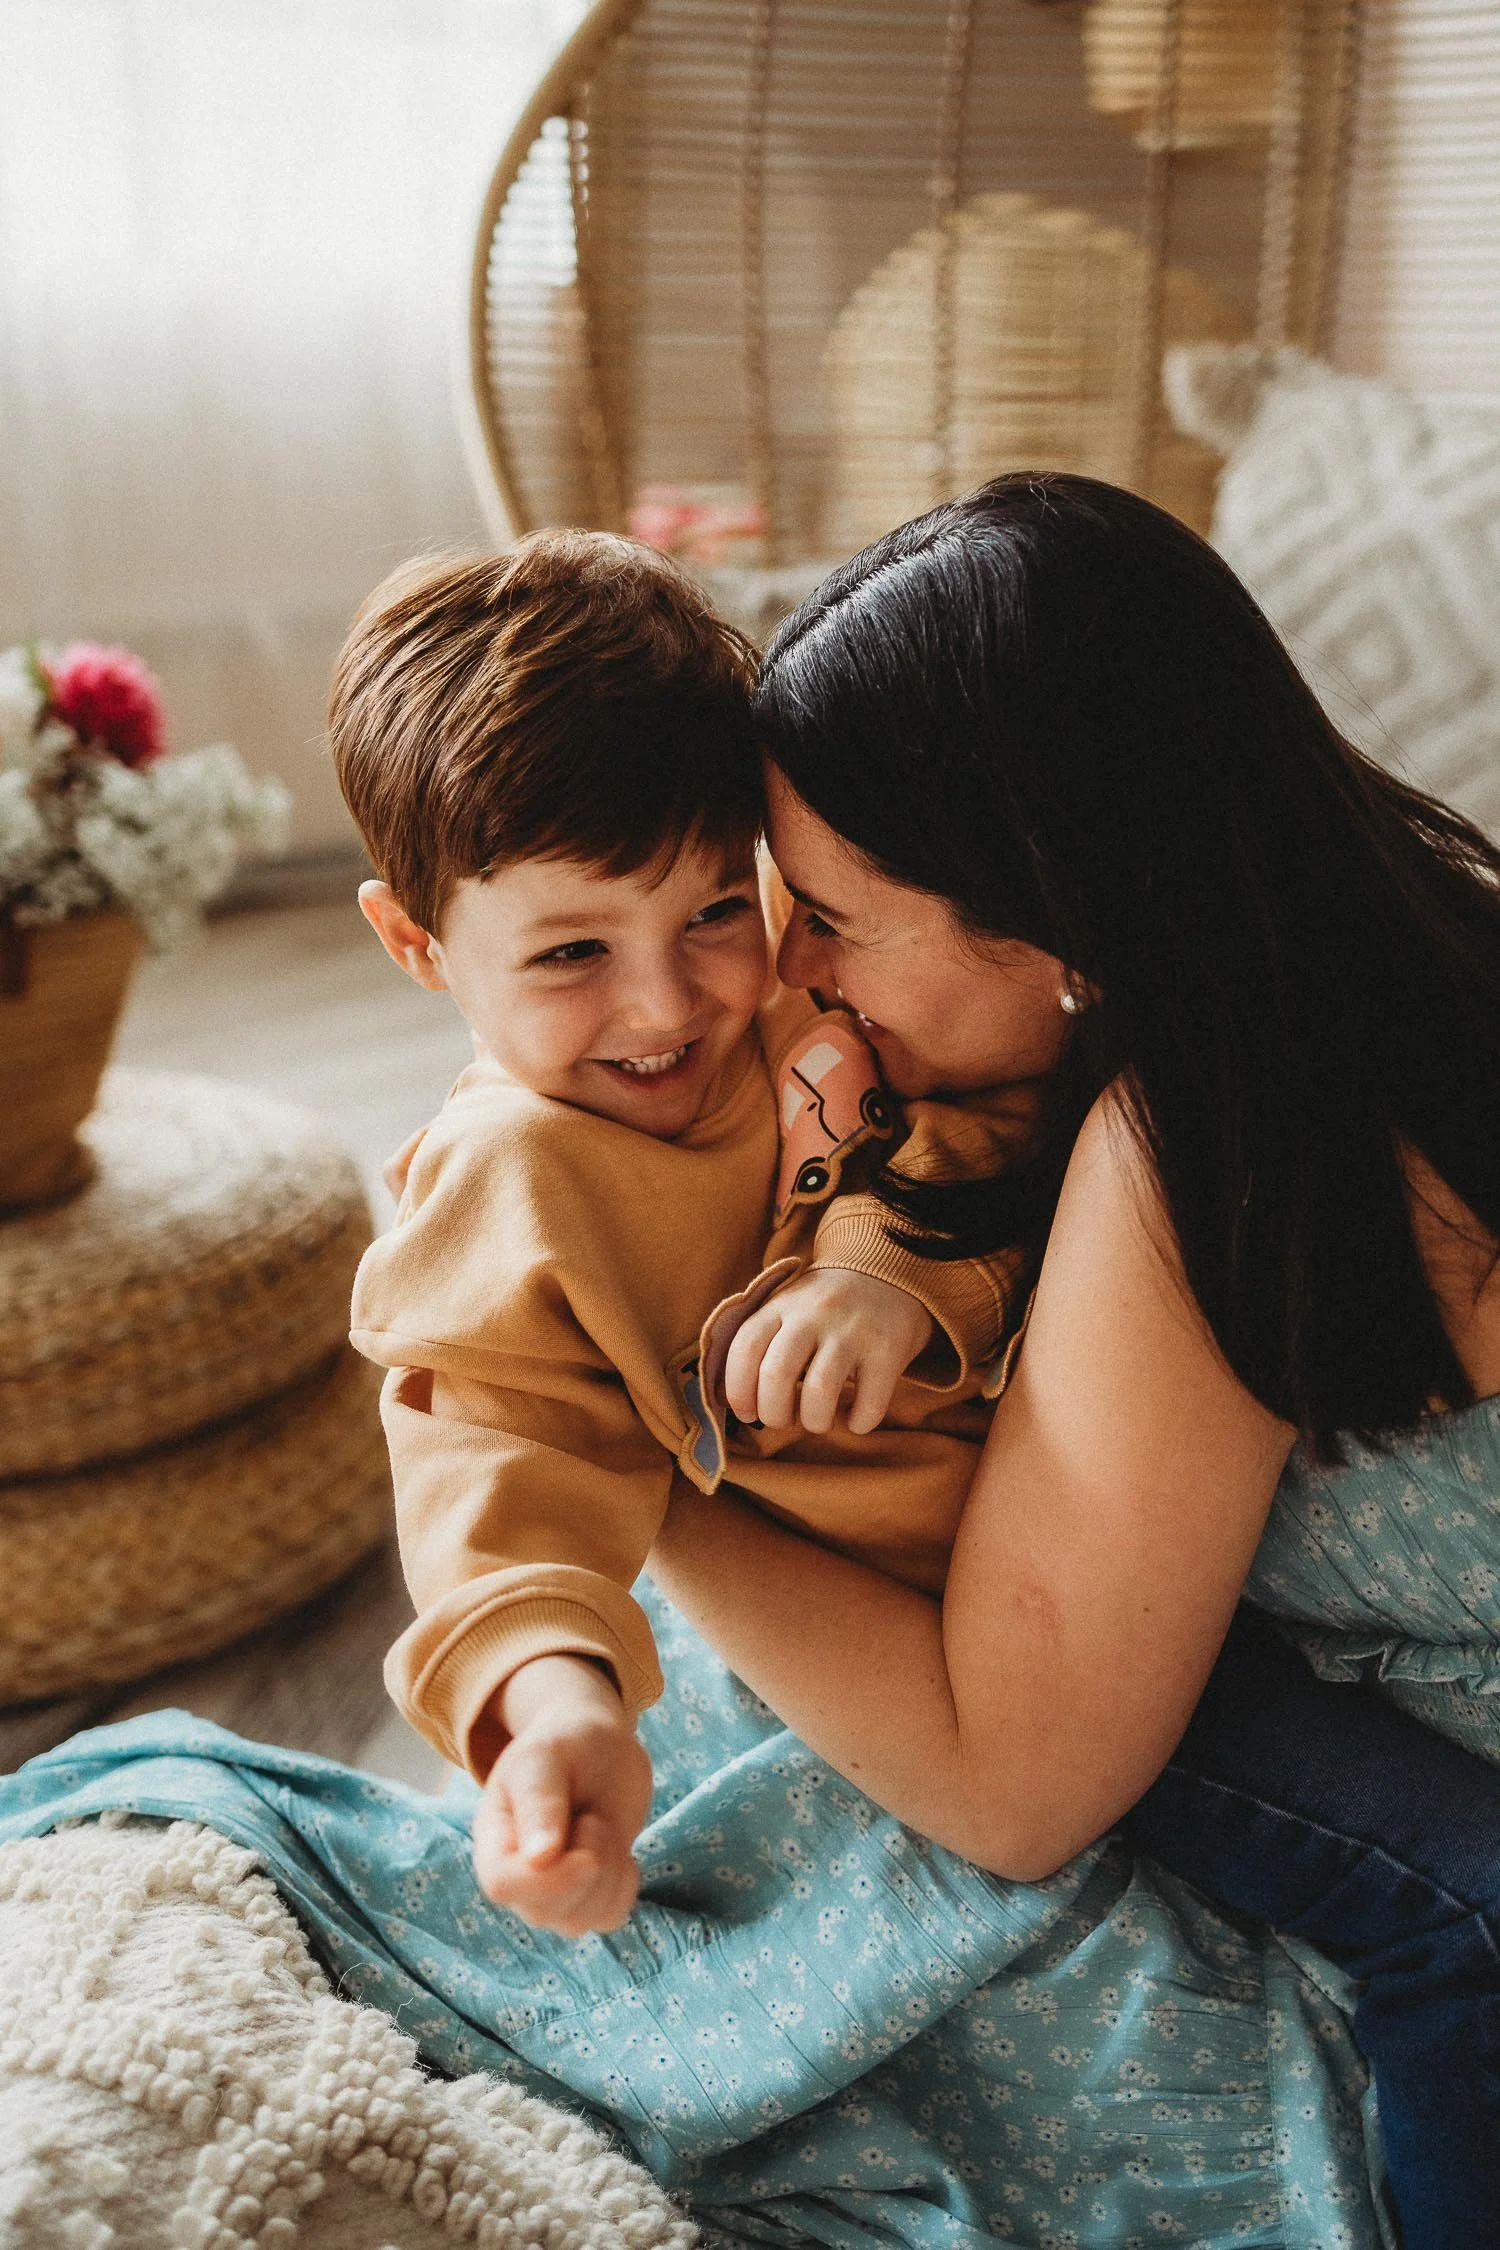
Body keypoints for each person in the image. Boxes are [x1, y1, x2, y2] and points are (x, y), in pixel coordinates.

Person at [638, 472, 1500, 2249]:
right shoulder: (1397, 935)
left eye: (833, 919)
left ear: (1069, 930)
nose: (786, 972)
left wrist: (641, 1471)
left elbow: (1013, 1779)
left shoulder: (1215, 1150)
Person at [330, 532, 1033, 1937]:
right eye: (571, 953)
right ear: (417, 947)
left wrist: (883, 1271)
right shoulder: (509, 1184)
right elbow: (496, 1471)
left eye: (716, 906)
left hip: (1084, 1515)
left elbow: (1006, 1112)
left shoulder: (805, 988)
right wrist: (558, 1708)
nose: (669, 1006)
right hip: (880, 1662)